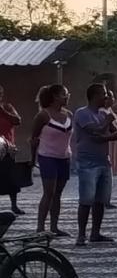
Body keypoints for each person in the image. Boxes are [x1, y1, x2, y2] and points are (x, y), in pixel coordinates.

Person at [73, 83, 117, 246]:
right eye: (103, 94)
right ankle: (81, 234)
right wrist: (106, 124)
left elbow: (116, 133)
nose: (106, 97)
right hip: (87, 162)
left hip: (104, 160)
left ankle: (95, 232)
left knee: (101, 200)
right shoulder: (82, 113)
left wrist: (105, 136)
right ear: (94, 96)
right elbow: (95, 131)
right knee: (86, 199)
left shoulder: (104, 113)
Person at [30, 84, 72, 236]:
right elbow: (34, 139)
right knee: (49, 192)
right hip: (47, 156)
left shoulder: (69, 115)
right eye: (64, 94)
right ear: (55, 96)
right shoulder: (43, 115)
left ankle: (54, 227)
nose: (67, 97)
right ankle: (40, 228)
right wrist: (32, 159)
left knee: (58, 194)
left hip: (64, 157)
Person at [0, 85, 24, 215]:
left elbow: (17, 121)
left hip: (8, 148)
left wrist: (3, 111)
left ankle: (14, 205)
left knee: (11, 178)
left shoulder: (8, 107)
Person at [100, 90, 117, 209]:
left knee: (108, 175)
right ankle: (103, 200)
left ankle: (106, 200)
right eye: (111, 97)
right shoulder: (102, 112)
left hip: (111, 140)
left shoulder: (109, 110)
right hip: (105, 142)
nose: (113, 99)